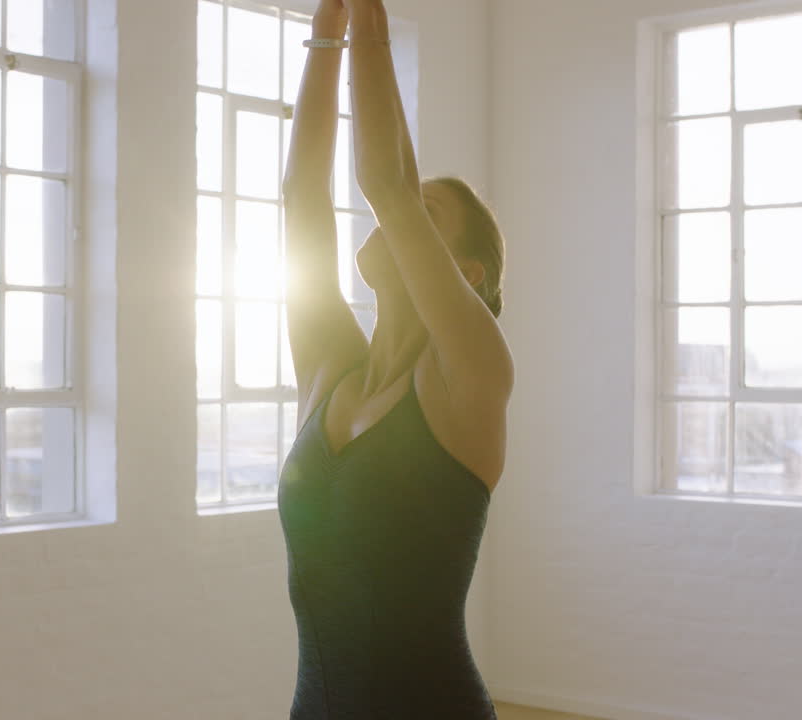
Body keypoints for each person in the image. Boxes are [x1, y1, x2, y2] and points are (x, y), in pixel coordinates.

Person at [276, 0, 513, 717]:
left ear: (466, 275)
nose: (389, 219)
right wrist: (324, 37)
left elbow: (386, 182)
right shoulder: (330, 371)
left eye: (422, 213)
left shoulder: (470, 376)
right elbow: (301, 199)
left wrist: (367, 18)